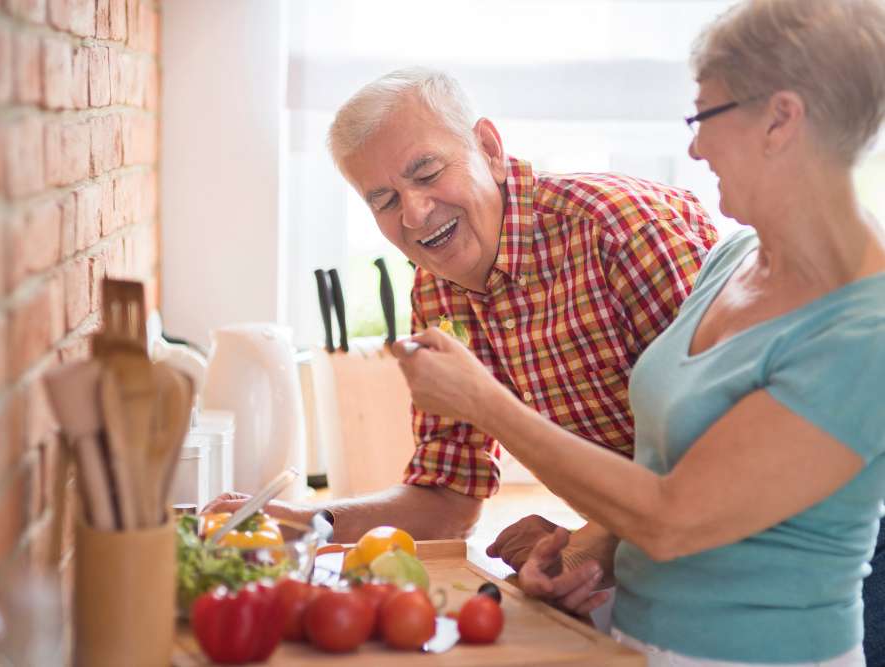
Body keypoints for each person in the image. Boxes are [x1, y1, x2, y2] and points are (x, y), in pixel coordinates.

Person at [394, 0, 885, 664]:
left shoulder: (866, 328)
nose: (694, 146)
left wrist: (482, 400)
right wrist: (586, 553)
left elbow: (672, 515)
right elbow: (668, 472)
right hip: (635, 638)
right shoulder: (728, 261)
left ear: (781, 118)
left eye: (706, 116)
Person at [204, 67, 716, 606]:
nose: (416, 212)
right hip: (651, 561)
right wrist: (306, 520)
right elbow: (448, 498)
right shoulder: (435, 292)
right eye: (384, 200)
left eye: (426, 173)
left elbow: (718, 464)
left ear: (489, 148)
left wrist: (588, 547)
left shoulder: (622, 231)